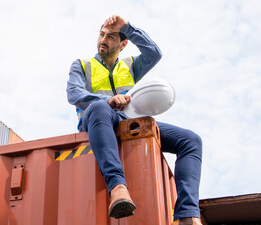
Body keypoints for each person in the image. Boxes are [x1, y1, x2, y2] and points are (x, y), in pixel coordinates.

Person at [66, 15, 202, 224]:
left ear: (123, 44)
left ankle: (187, 215)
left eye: (111, 36)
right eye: (102, 34)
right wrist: (108, 99)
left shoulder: (131, 66)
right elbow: (74, 94)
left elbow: (154, 53)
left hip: (128, 121)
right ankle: (118, 189)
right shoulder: (82, 65)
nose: (103, 40)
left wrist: (127, 27)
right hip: (96, 119)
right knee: (99, 107)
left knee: (191, 140)